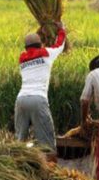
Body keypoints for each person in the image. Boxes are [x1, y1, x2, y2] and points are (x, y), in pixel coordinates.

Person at [15, 22, 66, 158]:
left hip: (21, 100)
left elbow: (32, 54)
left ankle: (15, 168)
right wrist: (61, 29)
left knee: (19, 142)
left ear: (26, 47)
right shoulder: (46, 53)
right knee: (47, 143)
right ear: (40, 44)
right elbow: (60, 45)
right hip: (38, 99)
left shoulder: (22, 58)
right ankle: (50, 170)